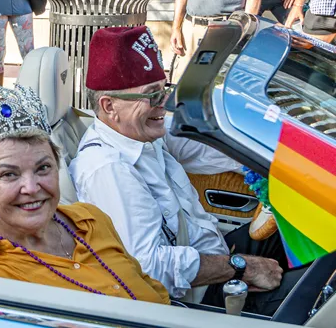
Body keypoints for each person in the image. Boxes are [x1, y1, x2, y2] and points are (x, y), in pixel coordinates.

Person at [70, 26, 298, 314]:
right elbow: (148, 268)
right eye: (152, 96)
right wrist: (241, 268)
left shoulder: (142, 134)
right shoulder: (109, 170)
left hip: (214, 261)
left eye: (164, 89)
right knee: (315, 298)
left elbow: (211, 149)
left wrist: (276, 160)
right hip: (195, 299)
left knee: (295, 225)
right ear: (109, 106)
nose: (164, 104)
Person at [0, 83, 169, 304]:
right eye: (9, 174)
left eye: (43, 168)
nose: (31, 187)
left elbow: (149, 287)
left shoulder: (91, 218)